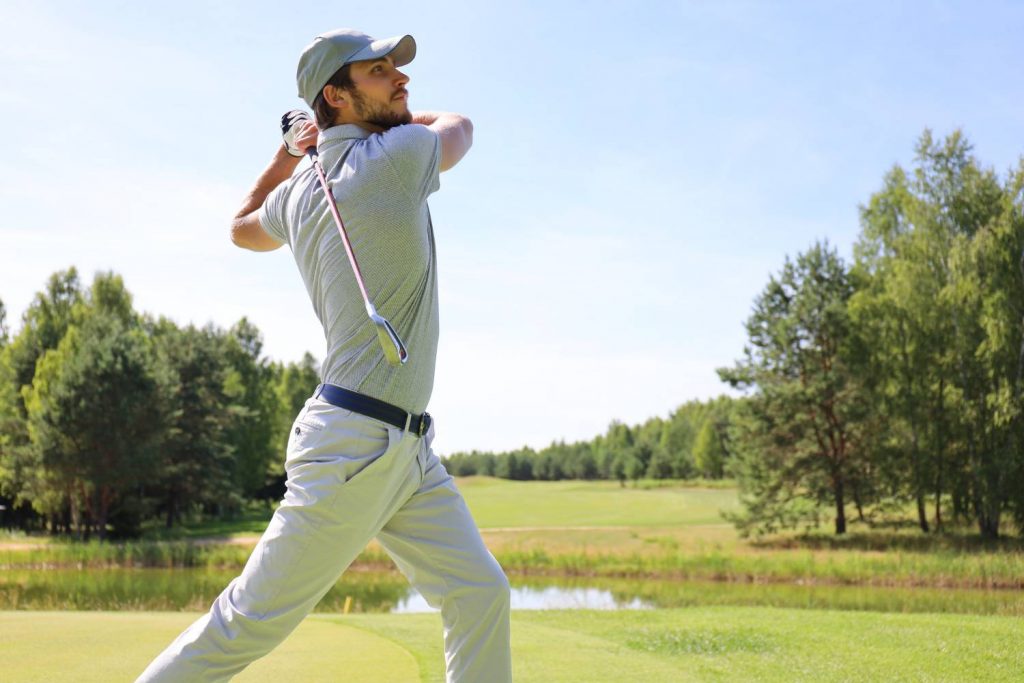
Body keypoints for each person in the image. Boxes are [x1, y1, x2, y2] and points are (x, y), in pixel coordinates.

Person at [136, 28, 512, 683]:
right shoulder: (398, 156)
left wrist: (292, 151)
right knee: (246, 623)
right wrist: (363, 129)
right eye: (379, 72)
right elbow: (462, 125)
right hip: (354, 446)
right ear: (335, 94)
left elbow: (240, 224)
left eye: (397, 68)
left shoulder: (301, 192)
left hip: (406, 449)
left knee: (480, 592)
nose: (401, 79)